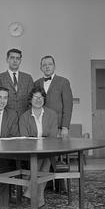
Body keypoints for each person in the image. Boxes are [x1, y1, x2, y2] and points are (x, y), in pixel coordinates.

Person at [34, 55, 73, 192]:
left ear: (54, 66)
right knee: (42, 154)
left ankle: (61, 185)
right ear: (41, 67)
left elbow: (68, 106)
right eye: (44, 65)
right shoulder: (37, 83)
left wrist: (65, 127)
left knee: (56, 155)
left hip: (57, 127)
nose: (47, 67)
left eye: (49, 64)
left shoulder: (63, 82)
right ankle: (47, 184)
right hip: (41, 126)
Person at [19, 86, 58, 208]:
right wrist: (39, 144)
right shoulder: (24, 117)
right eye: (35, 97)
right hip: (30, 152)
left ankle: (30, 192)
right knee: (43, 158)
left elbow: (52, 137)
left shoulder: (52, 114)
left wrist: (40, 144)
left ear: (44, 99)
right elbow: (24, 138)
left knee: (45, 157)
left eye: (41, 97)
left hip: (48, 150)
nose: (38, 100)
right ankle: (39, 197)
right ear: (30, 100)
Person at [0, 48, 34, 117]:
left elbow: (31, 99)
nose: (15, 61)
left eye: (18, 58)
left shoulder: (28, 78)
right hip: (5, 117)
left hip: (24, 117)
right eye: (12, 58)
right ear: (7, 60)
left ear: (20, 61)